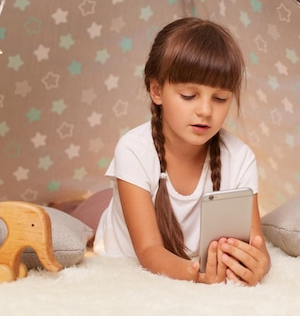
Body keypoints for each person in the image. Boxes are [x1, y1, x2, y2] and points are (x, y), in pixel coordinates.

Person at [93, 17, 271, 285]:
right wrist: (198, 276)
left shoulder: (240, 157)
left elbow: (258, 247)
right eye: (189, 96)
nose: (205, 111)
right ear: (156, 91)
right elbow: (149, 251)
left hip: (184, 258)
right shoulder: (132, 149)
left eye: (220, 99)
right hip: (118, 249)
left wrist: (258, 265)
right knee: (83, 211)